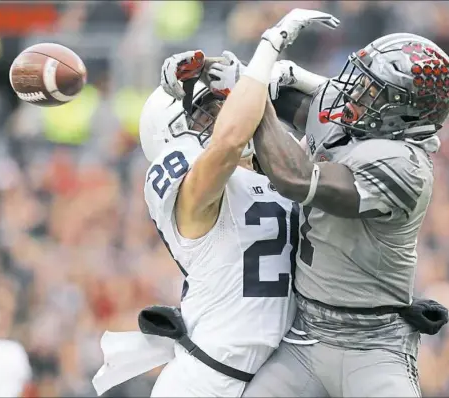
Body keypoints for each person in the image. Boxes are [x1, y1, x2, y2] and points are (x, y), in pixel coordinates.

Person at [162, 22, 449, 397]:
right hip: (304, 339)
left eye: (374, 91)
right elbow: (270, 95)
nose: (356, 93)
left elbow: (296, 179)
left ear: (405, 114)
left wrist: (250, 93)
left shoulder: (405, 166)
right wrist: (205, 71)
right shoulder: (362, 123)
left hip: (374, 349)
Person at [138, 10, 341, 397]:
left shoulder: (271, 175)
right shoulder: (194, 189)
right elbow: (229, 140)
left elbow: (345, 127)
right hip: (206, 382)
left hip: (273, 379)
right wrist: (266, 52)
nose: (222, 113)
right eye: (206, 113)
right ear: (170, 136)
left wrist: (293, 77)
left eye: (221, 106)